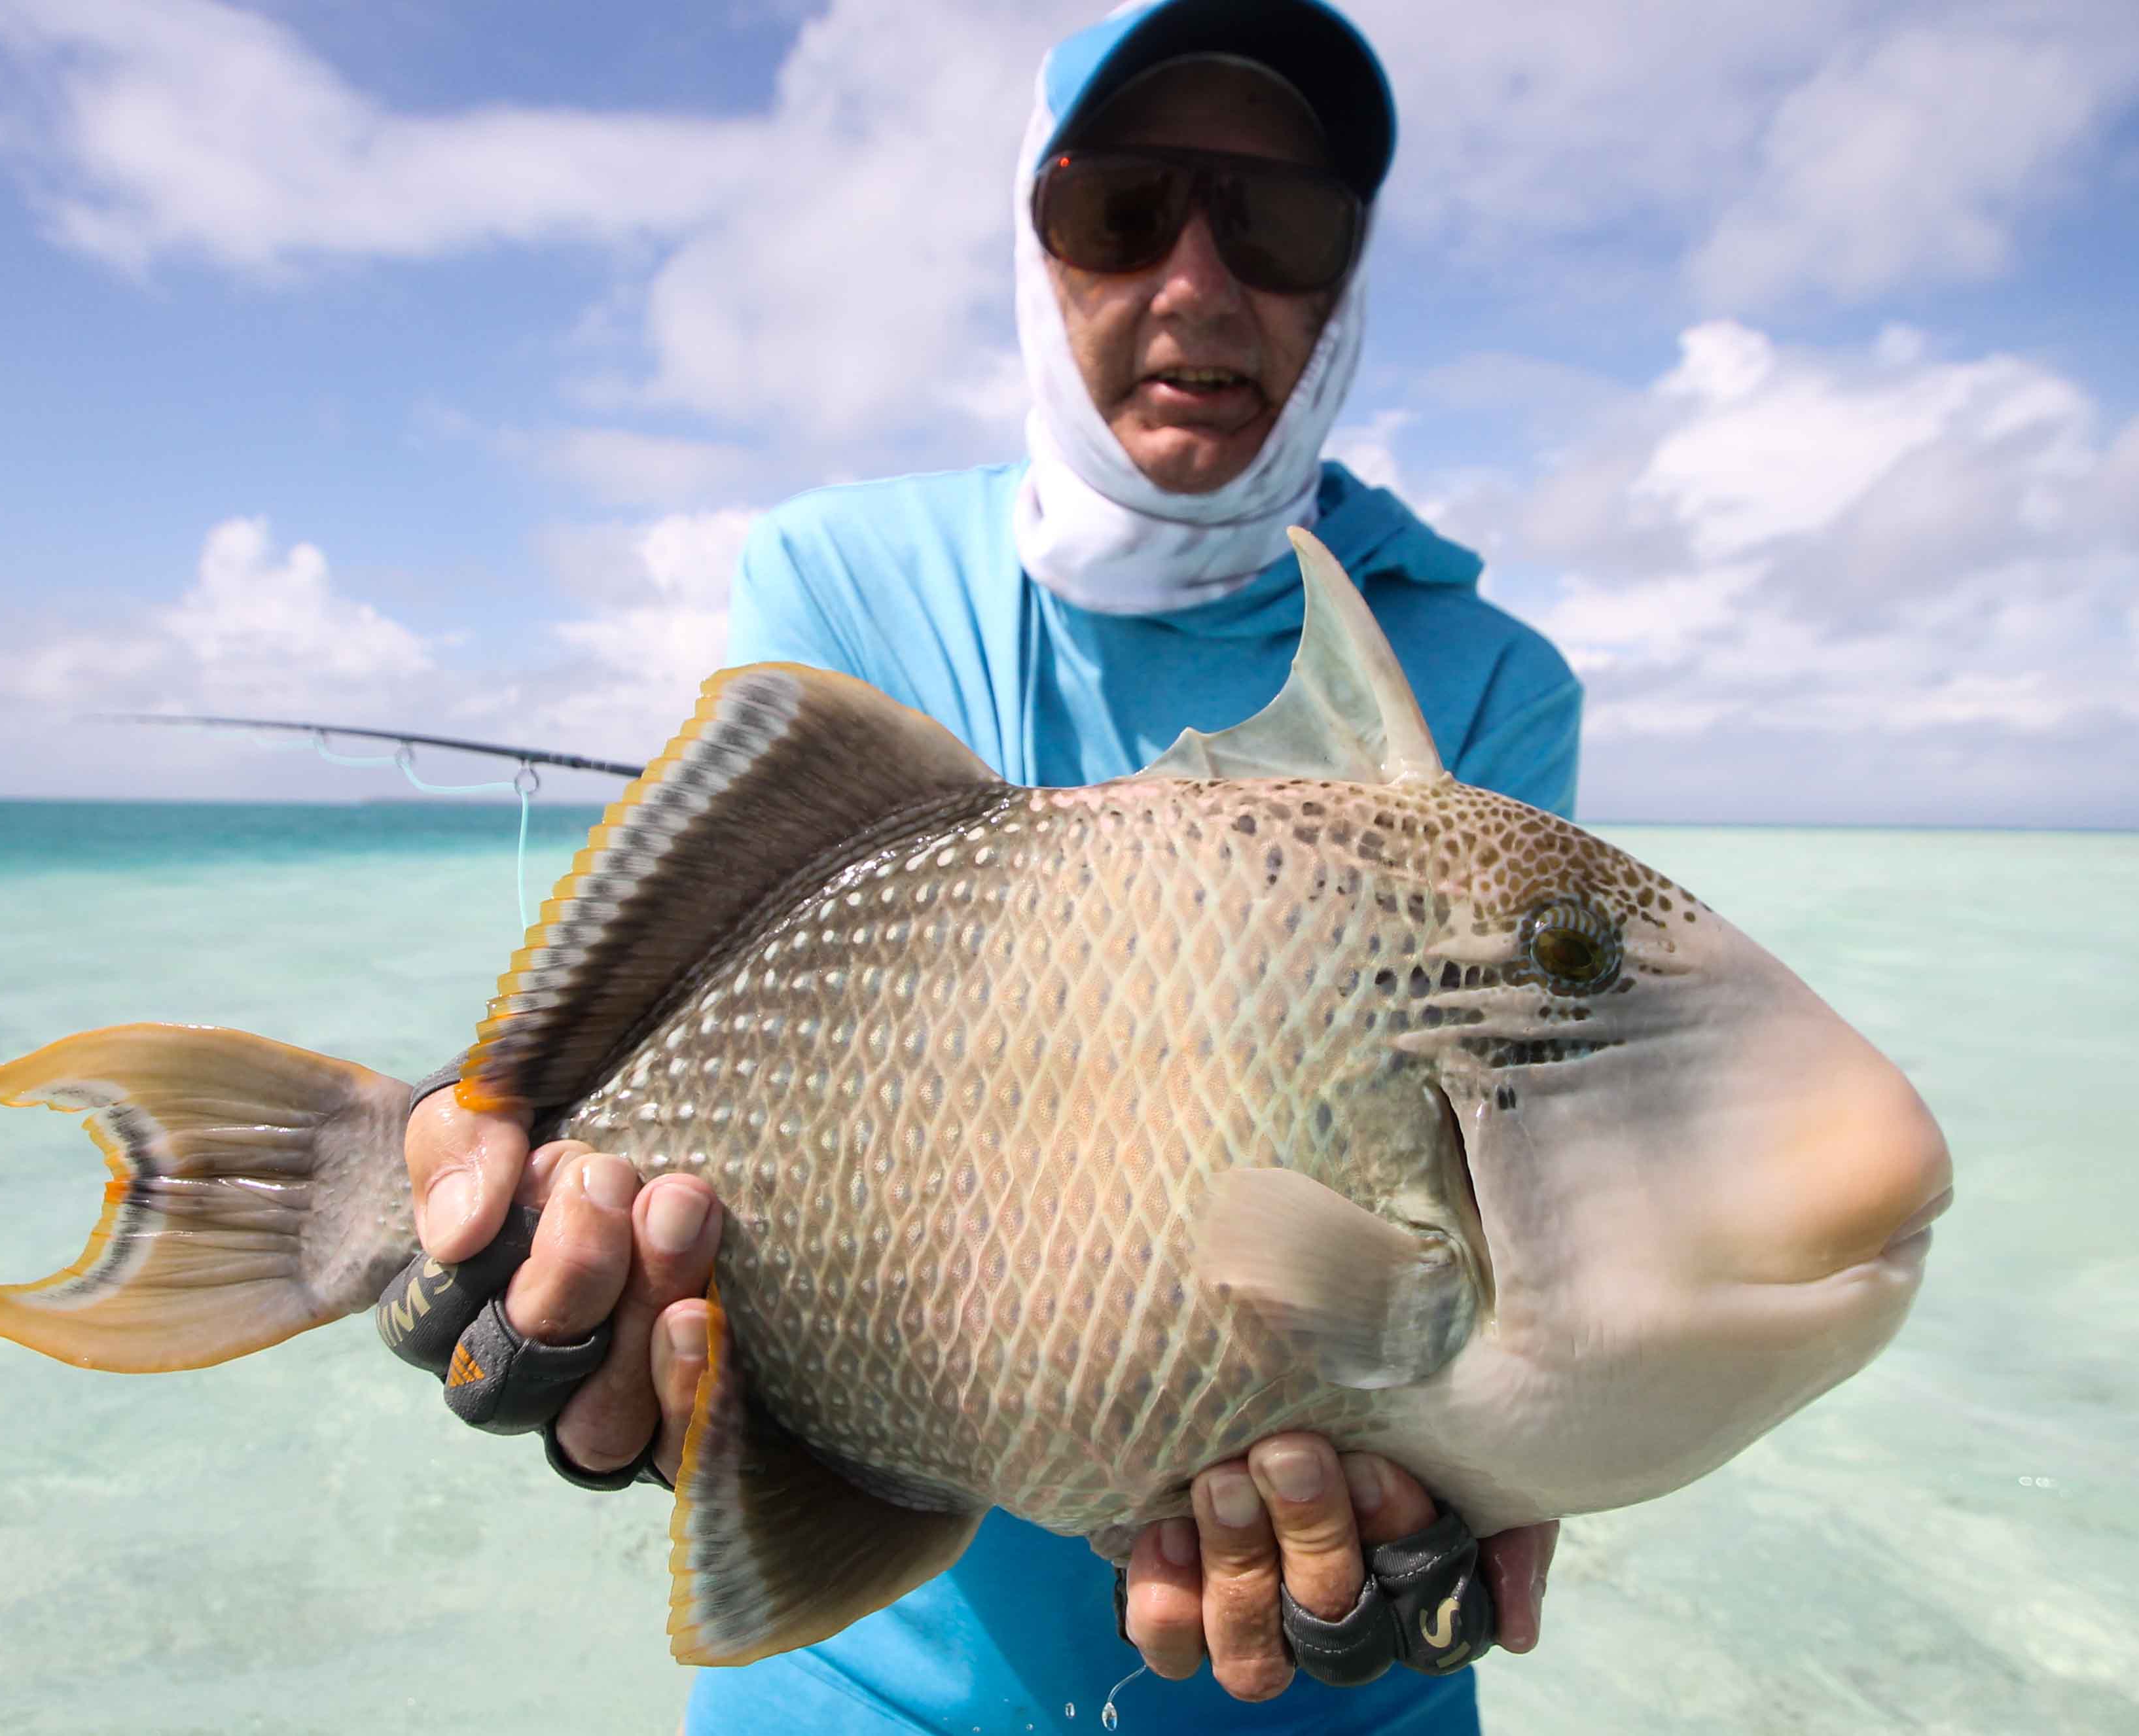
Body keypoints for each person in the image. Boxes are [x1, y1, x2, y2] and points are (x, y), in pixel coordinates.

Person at [399, 3, 1581, 1729]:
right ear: (1032, 237)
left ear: (1348, 281)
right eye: (1120, 212)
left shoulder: (1478, 673)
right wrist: (513, 1164)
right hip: (863, 1681)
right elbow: (752, 1008)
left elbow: (1523, 1182)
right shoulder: (841, 570)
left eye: (1282, 222)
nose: (1196, 283)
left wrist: (1499, 1463)